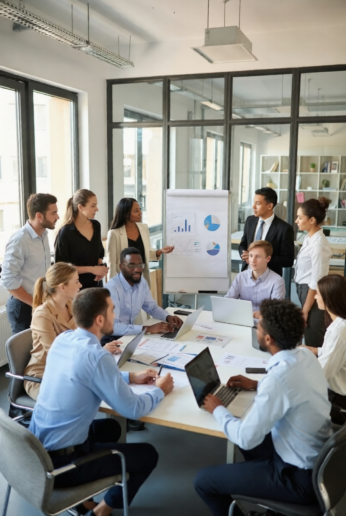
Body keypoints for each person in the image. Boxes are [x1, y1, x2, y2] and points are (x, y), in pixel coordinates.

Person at [29, 287, 174, 516]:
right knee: (148, 455)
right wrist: (160, 391)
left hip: (36, 450)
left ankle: (83, 501)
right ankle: (100, 512)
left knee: (111, 427)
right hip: (61, 467)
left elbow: (85, 373)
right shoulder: (98, 356)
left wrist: (130, 377)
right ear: (99, 319)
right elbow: (133, 409)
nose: (115, 315)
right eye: (112, 310)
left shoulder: (63, 340)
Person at [194, 299, 332, 516]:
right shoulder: (305, 356)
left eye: (258, 325)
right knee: (250, 439)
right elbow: (292, 389)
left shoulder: (277, 377)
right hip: (317, 463)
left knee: (204, 481)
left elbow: (245, 437)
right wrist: (256, 384)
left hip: (298, 478)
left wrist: (218, 409)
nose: (256, 328)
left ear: (268, 338)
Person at [23, 262, 122, 401]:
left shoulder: (71, 305)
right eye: (76, 281)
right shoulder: (42, 314)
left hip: (69, 370)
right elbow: (57, 355)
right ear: (62, 287)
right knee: (83, 396)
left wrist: (99, 350)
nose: (80, 285)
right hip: (43, 376)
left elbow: (82, 340)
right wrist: (96, 355)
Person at [1, 193, 59, 334]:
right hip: (23, 306)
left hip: (40, 302)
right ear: (39, 216)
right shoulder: (20, 240)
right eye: (54, 213)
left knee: (41, 350)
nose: (57, 217)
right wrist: (35, 303)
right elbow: (8, 280)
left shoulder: (44, 235)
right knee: (24, 354)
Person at [104, 247, 183, 339]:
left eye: (140, 265)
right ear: (121, 267)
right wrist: (147, 329)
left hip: (128, 335)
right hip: (110, 338)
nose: (137, 269)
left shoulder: (141, 282)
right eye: (131, 266)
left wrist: (167, 317)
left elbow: (152, 308)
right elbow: (112, 327)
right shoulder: (112, 289)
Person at [304, 274, 346, 423]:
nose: (315, 297)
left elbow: (321, 374)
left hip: (337, 399)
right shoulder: (340, 323)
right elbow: (339, 353)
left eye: (318, 294)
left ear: (329, 298)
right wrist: (316, 350)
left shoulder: (338, 331)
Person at [106, 198, 174, 288]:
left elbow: (146, 253)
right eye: (136, 211)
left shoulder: (144, 228)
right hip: (123, 282)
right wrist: (112, 289)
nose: (140, 213)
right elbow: (112, 264)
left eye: (140, 209)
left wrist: (159, 251)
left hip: (141, 280)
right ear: (126, 214)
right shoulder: (114, 233)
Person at [295, 197, 332, 347]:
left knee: (313, 341)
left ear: (311, 220)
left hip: (313, 295)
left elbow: (316, 282)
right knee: (308, 335)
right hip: (304, 291)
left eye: (299, 218)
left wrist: (305, 311)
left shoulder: (318, 245)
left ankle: (318, 370)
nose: (296, 221)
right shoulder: (309, 238)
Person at [55, 189, 108, 290]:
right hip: (75, 288)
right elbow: (62, 267)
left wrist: (100, 269)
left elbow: (99, 252)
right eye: (93, 206)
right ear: (80, 207)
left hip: (96, 284)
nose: (97, 209)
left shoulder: (96, 225)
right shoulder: (66, 232)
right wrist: (92, 269)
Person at [239, 187, 294, 277]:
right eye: (254, 202)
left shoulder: (284, 228)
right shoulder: (250, 220)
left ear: (270, 206)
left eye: (258, 204)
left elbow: (288, 260)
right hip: (247, 274)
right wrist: (244, 253)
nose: (253, 207)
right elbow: (243, 244)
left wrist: (262, 259)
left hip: (270, 279)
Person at [225, 240, 285, 318]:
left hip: (265, 324)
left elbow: (276, 311)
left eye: (258, 256)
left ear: (268, 259)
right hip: (242, 320)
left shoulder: (277, 281)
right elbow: (228, 302)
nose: (253, 260)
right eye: (251, 255)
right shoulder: (240, 277)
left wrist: (251, 314)